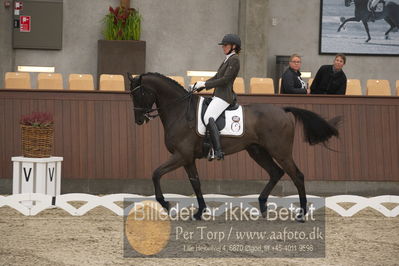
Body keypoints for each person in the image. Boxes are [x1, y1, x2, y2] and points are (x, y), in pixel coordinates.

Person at [191, 33, 241, 160]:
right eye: (223, 45)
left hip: (225, 96)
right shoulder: (227, 59)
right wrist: (200, 85)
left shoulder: (234, 59)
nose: (223, 47)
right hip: (218, 95)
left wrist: (205, 84)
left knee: (209, 116)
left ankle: (217, 150)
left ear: (234, 46)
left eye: (225, 45)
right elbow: (216, 77)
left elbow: (225, 80)